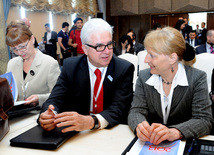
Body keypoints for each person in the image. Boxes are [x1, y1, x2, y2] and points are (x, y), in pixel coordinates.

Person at [38, 18, 134, 132]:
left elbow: (119, 108)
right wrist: (48, 115)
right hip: (78, 134)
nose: (107, 51)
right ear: (85, 49)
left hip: (111, 131)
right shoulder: (71, 67)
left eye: (109, 44)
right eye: (99, 46)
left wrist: (91, 121)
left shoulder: (123, 69)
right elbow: (55, 99)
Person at [128, 27, 213, 145]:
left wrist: (176, 132)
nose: (146, 60)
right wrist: (140, 126)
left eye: (152, 55)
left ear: (172, 58)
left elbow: (204, 120)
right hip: (150, 145)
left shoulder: (197, 78)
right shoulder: (144, 77)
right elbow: (136, 111)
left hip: (184, 144)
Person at [6, 20, 61, 107]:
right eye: (15, 49)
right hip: (15, 115)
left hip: (39, 114)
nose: (20, 52)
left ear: (32, 39)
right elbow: (9, 92)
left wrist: (39, 99)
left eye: (22, 46)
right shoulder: (11, 64)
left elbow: (58, 96)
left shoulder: (50, 63)